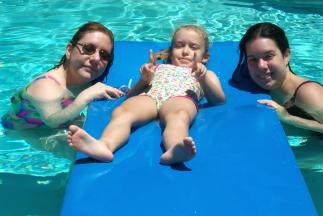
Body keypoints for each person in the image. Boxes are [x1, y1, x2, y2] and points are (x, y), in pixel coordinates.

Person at [68, 24, 225, 165]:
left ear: (205, 57)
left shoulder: (205, 73)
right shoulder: (156, 68)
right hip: (150, 97)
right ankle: (104, 145)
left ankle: (175, 148)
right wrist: (144, 80)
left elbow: (218, 99)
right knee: (123, 111)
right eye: (179, 46)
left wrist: (203, 79)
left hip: (180, 99)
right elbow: (130, 97)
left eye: (193, 47)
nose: (185, 51)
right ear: (171, 51)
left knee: (179, 116)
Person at [1, 21, 124, 130]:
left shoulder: (86, 78)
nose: (96, 58)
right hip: (24, 131)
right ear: (69, 50)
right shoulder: (46, 85)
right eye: (88, 48)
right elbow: (52, 121)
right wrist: (85, 96)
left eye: (104, 55)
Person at [232, 22, 323, 133]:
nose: (261, 66)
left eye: (268, 56)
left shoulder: (307, 93)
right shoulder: (252, 77)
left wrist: (288, 118)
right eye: (253, 59)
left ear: (286, 56)